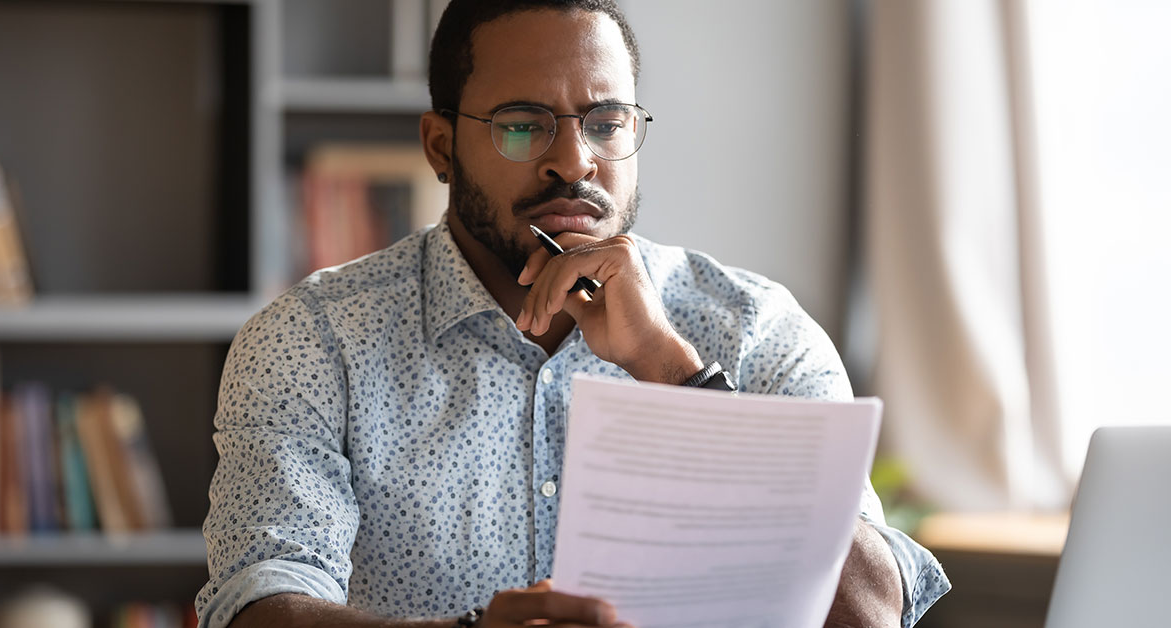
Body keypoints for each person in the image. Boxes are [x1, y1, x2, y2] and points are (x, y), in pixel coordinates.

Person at [195, 1, 950, 627]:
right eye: (523, 124)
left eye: (606, 122)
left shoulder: (753, 330)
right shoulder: (313, 340)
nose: (575, 160)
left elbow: (869, 615)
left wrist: (672, 372)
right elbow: (260, 606)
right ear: (441, 147)